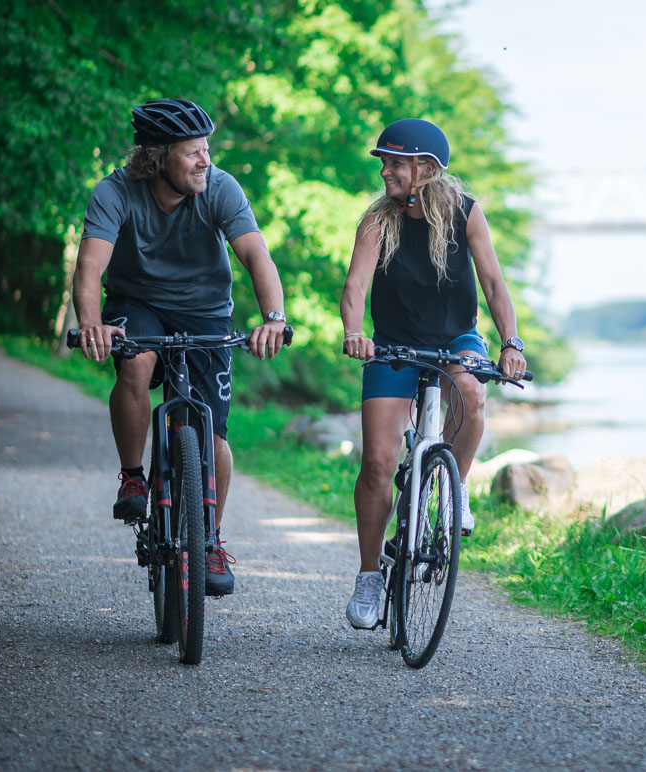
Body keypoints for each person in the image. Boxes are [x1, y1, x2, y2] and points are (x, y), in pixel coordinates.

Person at [72, 98, 288, 598]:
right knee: (137, 362)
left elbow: (257, 257)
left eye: (206, 150)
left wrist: (273, 318)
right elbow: (89, 270)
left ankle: (208, 538)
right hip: (137, 302)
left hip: (206, 311)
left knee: (212, 437)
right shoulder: (115, 192)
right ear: (157, 157)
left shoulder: (220, 188)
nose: (205, 161)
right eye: (192, 152)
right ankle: (132, 478)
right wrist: (90, 325)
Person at [339, 118, 527, 629]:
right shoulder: (376, 220)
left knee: (471, 389)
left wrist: (511, 342)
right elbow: (355, 285)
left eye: (395, 163)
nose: (385, 171)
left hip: (454, 339)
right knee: (378, 460)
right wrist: (356, 331)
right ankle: (369, 576)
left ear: (425, 169)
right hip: (393, 345)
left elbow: (492, 280)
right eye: (383, 162)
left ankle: (453, 488)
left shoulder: (465, 212)